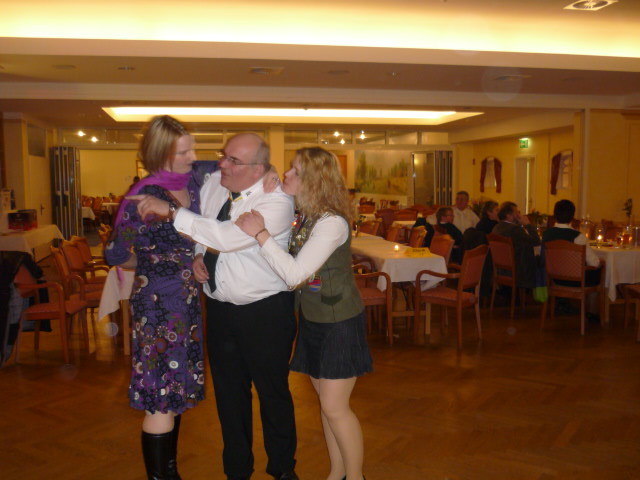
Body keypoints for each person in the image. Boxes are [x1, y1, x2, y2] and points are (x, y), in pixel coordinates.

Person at [131, 133, 299, 480]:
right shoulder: (213, 184)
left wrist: (171, 211)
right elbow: (205, 229)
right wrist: (197, 255)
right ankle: (237, 471)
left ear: (258, 170)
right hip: (220, 311)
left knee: (273, 395)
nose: (222, 163)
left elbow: (225, 237)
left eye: (233, 160)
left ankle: (282, 470)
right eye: (224, 156)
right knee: (229, 397)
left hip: (265, 312)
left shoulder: (276, 200)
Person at [236, 146, 372, 480]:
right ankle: (336, 474)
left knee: (335, 408)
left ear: (313, 181)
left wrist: (260, 234)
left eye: (294, 171)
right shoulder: (308, 215)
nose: (286, 173)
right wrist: (269, 190)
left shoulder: (331, 223)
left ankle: (356, 477)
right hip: (314, 320)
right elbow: (299, 267)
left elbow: (295, 274)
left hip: (339, 323)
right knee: (327, 407)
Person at [105, 115, 214, 480]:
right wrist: (155, 261)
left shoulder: (194, 182)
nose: (191, 157)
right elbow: (115, 254)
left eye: (192, 149)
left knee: (175, 391)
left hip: (186, 305)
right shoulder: (141, 197)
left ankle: (170, 472)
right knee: (161, 396)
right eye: (182, 152)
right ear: (159, 154)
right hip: (157, 308)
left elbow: (235, 165)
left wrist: (270, 176)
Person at [542, 199, 602, 319]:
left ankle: (561, 303)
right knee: (598, 270)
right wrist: (601, 263)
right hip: (575, 280)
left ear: (554, 215)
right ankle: (592, 312)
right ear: (572, 217)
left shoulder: (546, 234)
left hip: (553, 278)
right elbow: (593, 263)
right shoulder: (578, 236)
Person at [491, 201, 541, 289]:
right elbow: (536, 241)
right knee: (541, 261)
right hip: (517, 273)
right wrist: (528, 224)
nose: (519, 215)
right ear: (508, 215)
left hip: (500, 270)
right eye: (517, 212)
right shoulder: (515, 230)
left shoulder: (496, 227)